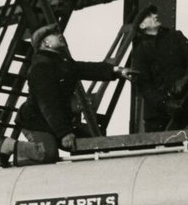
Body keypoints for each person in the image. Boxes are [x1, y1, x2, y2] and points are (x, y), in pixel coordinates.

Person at [10, 25, 127, 163]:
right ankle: (8, 146)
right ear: (46, 43)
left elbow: (86, 68)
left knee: (92, 142)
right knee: (48, 153)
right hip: (37, 122)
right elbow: (48, 104)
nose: (60, 35)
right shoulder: (40, 67)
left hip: (57, 122)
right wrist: (64, 133)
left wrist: (115, 70)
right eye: (54, 34)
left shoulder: (61, 61)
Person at [128, 5, 188, 132]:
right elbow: (144, 86)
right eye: (149, 15)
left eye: (154, 13)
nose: (155, 16)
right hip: (158, 115)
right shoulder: (140, 52)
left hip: (187, 105)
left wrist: (185, 80)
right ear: (142, 26)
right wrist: (164, 103)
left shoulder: (176, 37)